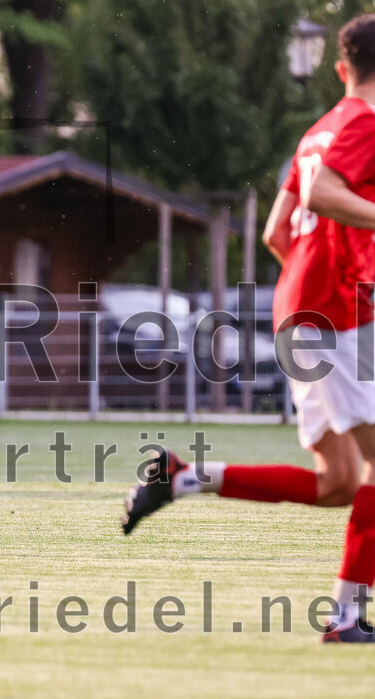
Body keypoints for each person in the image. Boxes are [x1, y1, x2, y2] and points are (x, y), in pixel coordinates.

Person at [121, 14, 375, 643]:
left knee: (340, 482)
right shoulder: (365, 124)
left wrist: (318, 280)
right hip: (334, 318)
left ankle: (185, 476)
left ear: (340, 68)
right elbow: (322, 195)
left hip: (303, 310)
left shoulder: (319, 129)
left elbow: (277, 231)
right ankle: (346, 617)